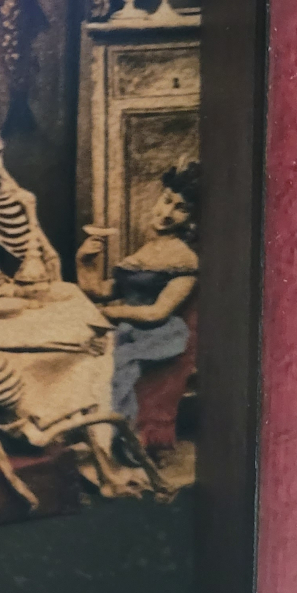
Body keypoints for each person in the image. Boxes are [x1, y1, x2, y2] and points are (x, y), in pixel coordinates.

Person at [76, 159, 200, 424]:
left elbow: (158, 313)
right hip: (129, 330)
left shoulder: (185, 259)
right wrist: (84, 262)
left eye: (181, 209)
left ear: (192, 219)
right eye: (167, 200)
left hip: (159, 335)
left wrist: (110, 313)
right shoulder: (148, 249)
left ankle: (119, 433)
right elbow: (100, 291)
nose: (167, 213)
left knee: (117, 363)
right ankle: (88, 428)